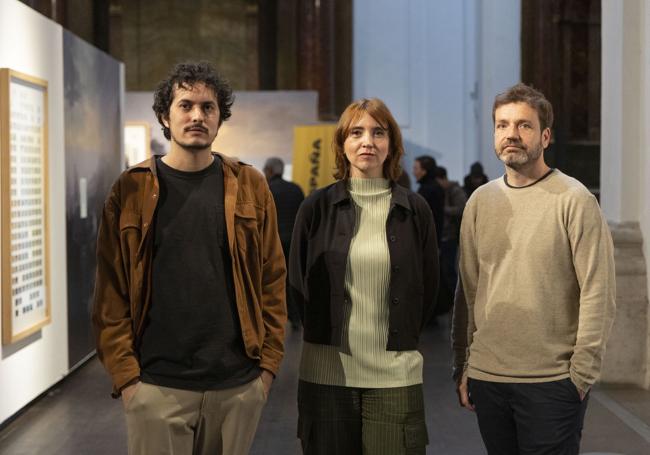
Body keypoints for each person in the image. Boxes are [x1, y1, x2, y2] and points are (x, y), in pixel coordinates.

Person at [92, 61, 287, 455]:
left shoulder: (249, 185)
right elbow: (110, 292)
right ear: (165, 115)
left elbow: (273, 279)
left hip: (237, 385)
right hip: (157, 384)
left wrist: (266, 370)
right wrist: (128, 379)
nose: (197, 115)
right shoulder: (130, 190)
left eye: (208, 107)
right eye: (185, 105)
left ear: (220, 118)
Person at [452, 83, 616, 454]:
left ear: (545, 135)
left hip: (552, 382)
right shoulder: (480, 202)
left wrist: (580, 375)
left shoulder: (574, 200)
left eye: (523, 125)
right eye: (502, 125)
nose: (511, 134)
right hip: (488, 378)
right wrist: (464, 365)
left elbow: (598, 291)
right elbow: (469, 290)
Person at [289, 98, 439, 454]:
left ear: (392, 145)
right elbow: (296, 282)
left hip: (395, 375)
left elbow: (430, 287)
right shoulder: (317, 207)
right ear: (343, 143)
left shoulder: (414, 210)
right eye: (356, 132)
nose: (367, 141)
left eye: (378, 132)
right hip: (326, 373)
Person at [263, 157, 305, 329]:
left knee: (271, 280)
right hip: (295, 241)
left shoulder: (267, 189)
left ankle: (271, 319)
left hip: (274, 242)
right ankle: (295, 317)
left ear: (270, 171)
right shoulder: (296, 189)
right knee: (292, 279)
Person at [433, 166, 466, 316]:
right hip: (445, 235)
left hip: (451, 235)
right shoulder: (447, 190)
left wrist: (443, 209)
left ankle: (455, 301)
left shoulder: (455, 191)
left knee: (449, 269)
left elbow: (462, 208)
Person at [413, 155, 445, 245]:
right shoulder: (433, 187)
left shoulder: (428, 189)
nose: (413, 172)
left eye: (416, 168)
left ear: (424, 171)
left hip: (427, 240)